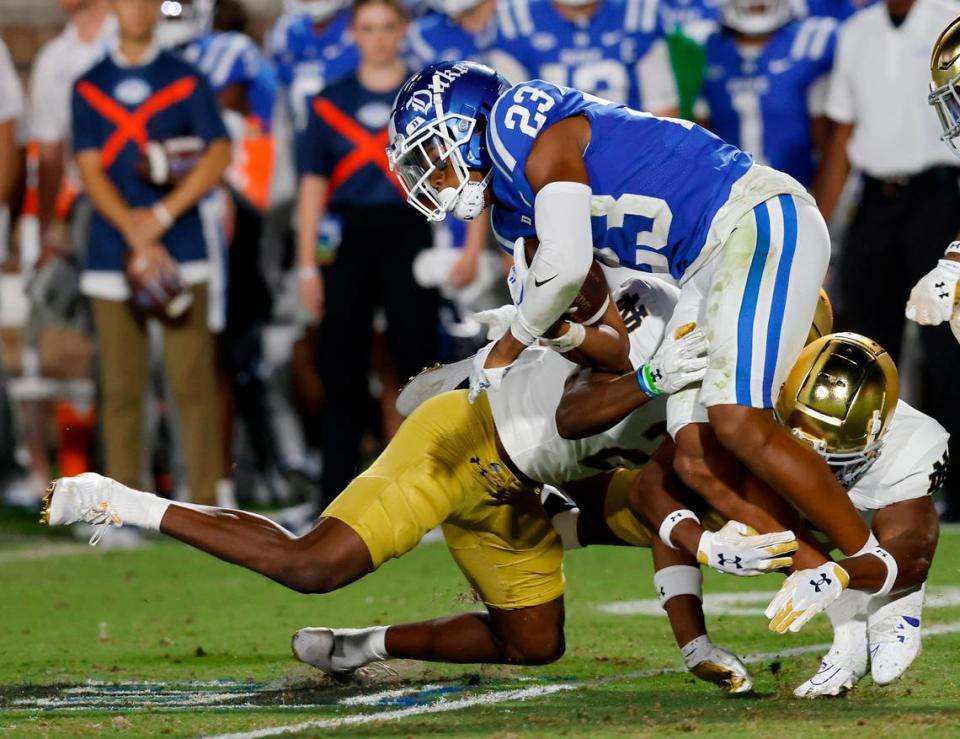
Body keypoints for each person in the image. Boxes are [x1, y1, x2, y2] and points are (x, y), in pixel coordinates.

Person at [40, 272, 790, 690]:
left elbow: (664, 493)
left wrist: (693, 641)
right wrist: (652, 375)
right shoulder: (656, 319)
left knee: (535, 643)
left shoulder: (714, 392)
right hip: (467, 440)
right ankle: (119, 497)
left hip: (523, 491)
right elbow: (572, 415)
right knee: (315, 564)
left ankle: (360, 646)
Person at [386, 61, 870, 565]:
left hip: (748, 215)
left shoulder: (517, 120)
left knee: (738, 420)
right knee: (698, 460)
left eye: (432, 156)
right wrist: (544, 339)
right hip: (702, 267)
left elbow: (568, 265)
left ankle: (872, 563)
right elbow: (611, 347)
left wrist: (506, 349)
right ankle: (833, 583)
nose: (433, 179)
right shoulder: (512, 218)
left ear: (469, 125)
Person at [71, 0, 231, 504]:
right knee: (120, 388)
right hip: (110, 251)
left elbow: (218, 153)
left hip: (183, 245)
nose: (138, 8)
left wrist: (161, 216)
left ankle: (204, 502)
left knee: (192, 383)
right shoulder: (88, 85)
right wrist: (134, 229)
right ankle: (122, 509)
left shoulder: (187, 77)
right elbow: (89, 167)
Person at [815, 0, 960, 521]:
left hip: (942, 194)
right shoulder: (856, 32)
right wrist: (821, 228)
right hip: (876, 200)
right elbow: (842, 135)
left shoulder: (951, 17)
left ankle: (955, 487)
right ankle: (871, 483)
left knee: (948, 345)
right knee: (866, 347)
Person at [296, 0, 441, 505]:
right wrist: (306, 265)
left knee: (417, 365)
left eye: (386, 27)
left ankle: (425, 491)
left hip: (412, 228)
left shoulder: (427, 98)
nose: (377, 38)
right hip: (347, 236)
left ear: (402, 31)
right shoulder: (327, 101)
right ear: (352, 34)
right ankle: (336, 495)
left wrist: (460, 249)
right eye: (367, 28)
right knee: (341, 367)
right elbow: (312, 186)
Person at [696, 0, 838, 186]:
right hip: (727, 195)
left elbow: (831, 137)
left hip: (800, 189)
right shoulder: (703, 46)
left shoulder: (814, 41)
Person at [28, 0, 117, 259]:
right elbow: (50, 154)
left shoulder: (141, 42)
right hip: (85, 214)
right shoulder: (52, 58)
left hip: (146, 206)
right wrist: (45, 237)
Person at [495, 0, 680, 115]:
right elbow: (512, 119)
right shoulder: (513, 20)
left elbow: (663, 112)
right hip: (550, 157)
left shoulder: (640, 13)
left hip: (631, 152)